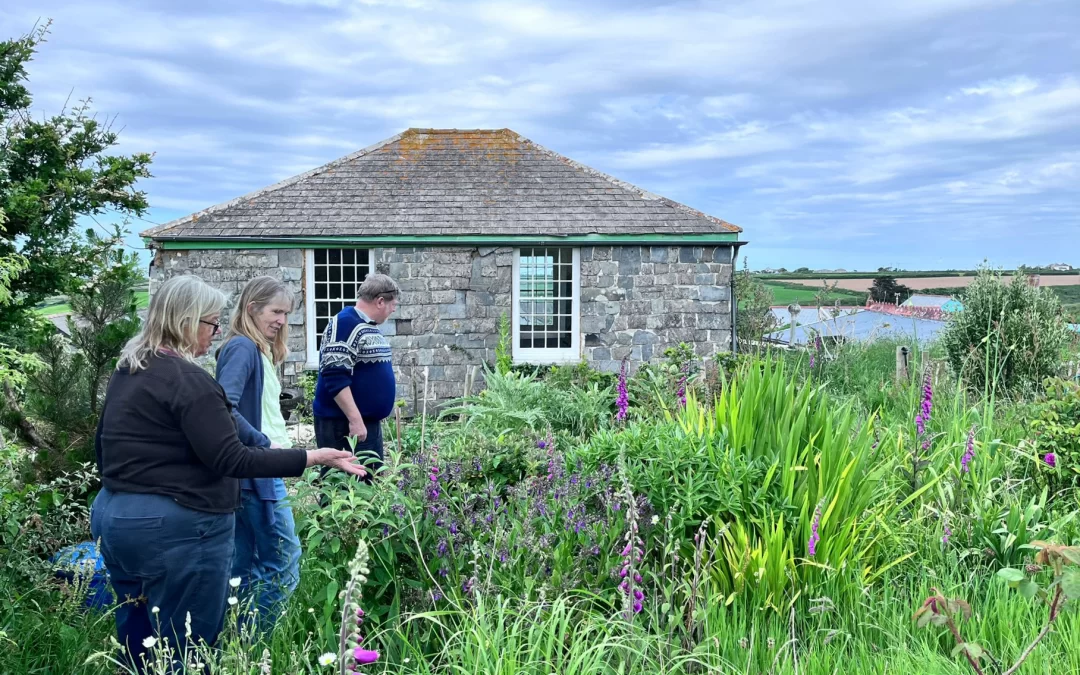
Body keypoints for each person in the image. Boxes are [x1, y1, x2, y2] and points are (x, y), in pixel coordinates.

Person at [90, 275, 365, 672]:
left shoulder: (130, 370)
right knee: (188, 645)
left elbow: (103, 446)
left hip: (115, 518)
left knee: (138, 637)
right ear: (186, 321)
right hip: (177, 528)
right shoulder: (188, 379)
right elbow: (231, 459)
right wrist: (309, 458)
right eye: (211, 323)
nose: (215, 332)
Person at [215, 276, 301, 636]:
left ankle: (237, 643)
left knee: (244, 567)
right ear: (252, 308)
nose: (282, 320)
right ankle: (262, 642)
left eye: (286, 313)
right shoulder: (242, 349)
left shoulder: (257, 349)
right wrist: (264, 445)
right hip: (256, 472)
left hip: (253, 471)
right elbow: (221, 408)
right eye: (275, 311)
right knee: (283, 558)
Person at [313, 273, 400, 480]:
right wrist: (355, 420)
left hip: (364, 424)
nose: (394, 309)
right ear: (380, 301)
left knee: (368, 485)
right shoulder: (345, 323)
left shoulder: (367, 326)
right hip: (343, 425)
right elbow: (334, 375)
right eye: (393, 304)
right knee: (342, 486)